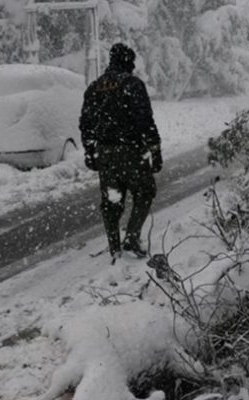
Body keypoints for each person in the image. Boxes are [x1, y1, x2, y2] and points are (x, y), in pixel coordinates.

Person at [79, 43, 162, 262]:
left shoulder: (95, 88)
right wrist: (155, 150)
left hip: (105, 154)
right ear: (128, 62)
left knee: (112, 201)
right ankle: (132, 237)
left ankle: (114, 246)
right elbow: (146, 122)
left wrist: (90, 152)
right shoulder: (133, 85)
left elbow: (85, 125)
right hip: (131, 151)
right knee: (145, 191)